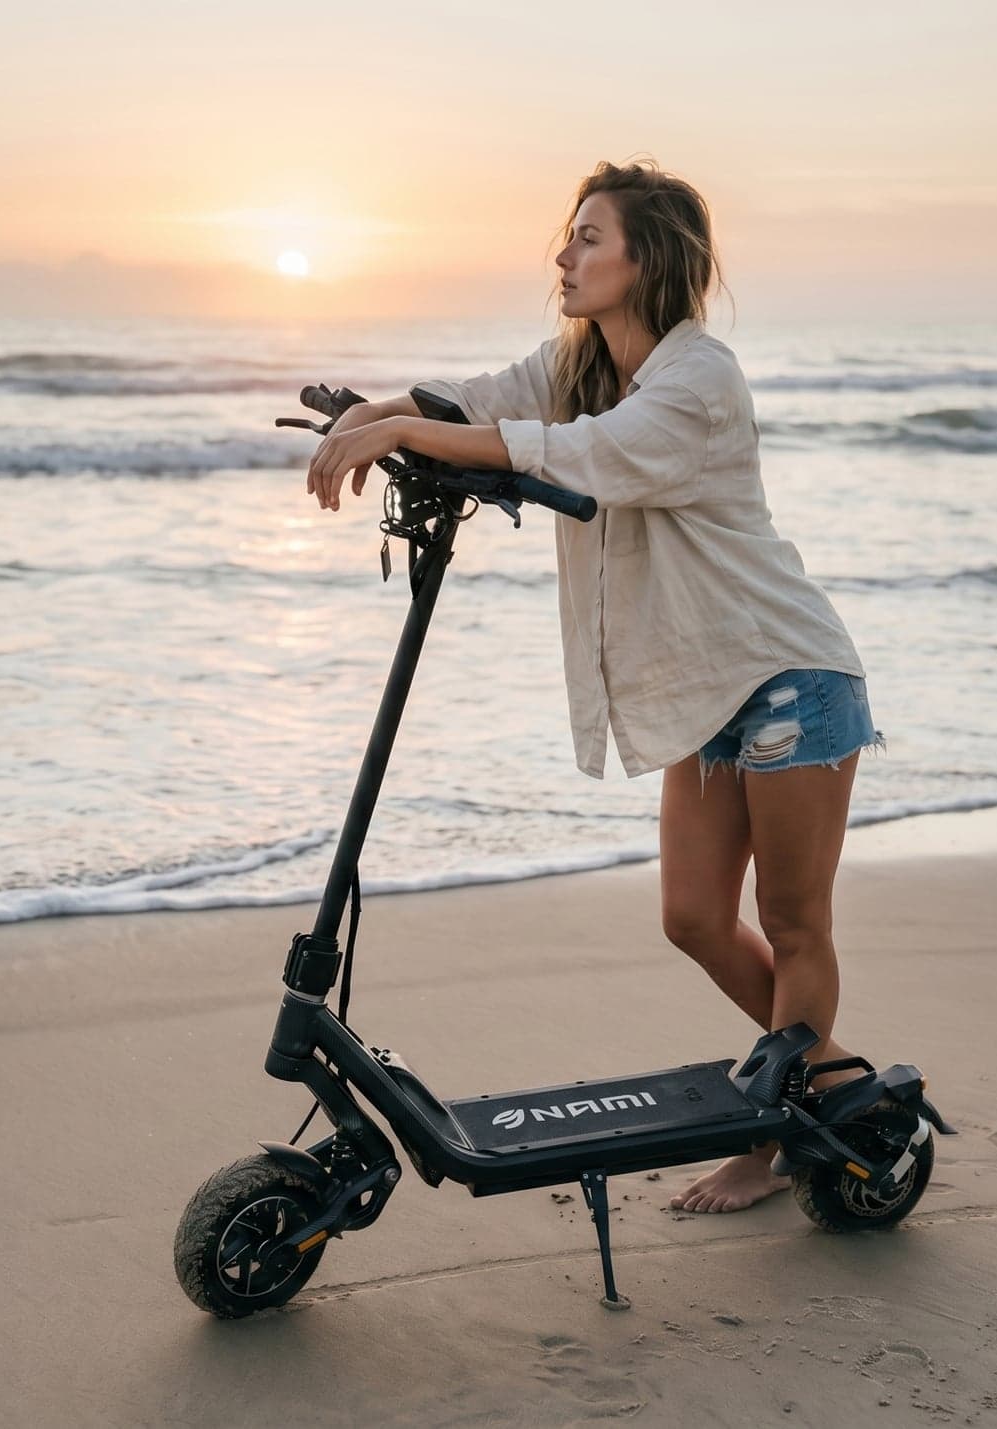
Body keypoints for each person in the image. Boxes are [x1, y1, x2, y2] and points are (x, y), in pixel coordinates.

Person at [303, 158, 884, 1214]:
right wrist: (372, 413)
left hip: (786, 674)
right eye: (567, 237)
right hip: (709, 689)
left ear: (645, 259)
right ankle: (828, 1084)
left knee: (792, 923)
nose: (562, 256)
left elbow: (580, 456)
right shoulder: (580, 360)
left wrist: (397, 430)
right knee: (693, 917)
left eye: (587, 238)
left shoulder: (695, 380)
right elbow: (482, 401)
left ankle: (774, 1138)